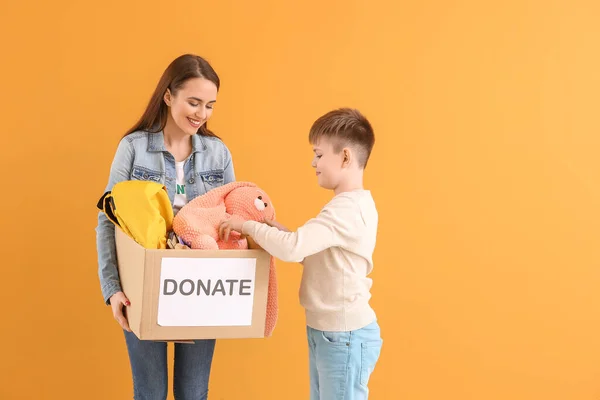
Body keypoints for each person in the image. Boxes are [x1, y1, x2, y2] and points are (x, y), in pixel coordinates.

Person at [96, 54, 235, 400]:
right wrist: (113, 288)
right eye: (193, 102)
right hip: (142, 284)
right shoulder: (133, 148)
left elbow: (234, 218)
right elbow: (107, 219)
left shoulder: (219, 154)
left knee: (193, 393)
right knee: (150, 393)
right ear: (168, 96)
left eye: (210, 105)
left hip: (201, 287)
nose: (201, 114)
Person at [219, 108, 383, 399]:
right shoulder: (348, 206)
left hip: (343, 335)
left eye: (319, 155)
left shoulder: (346, 209)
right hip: (329, 331)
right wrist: (274, 229)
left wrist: (246, 226)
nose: (313, 162)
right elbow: (305, 251)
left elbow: (293, 247)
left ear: (345, 157)